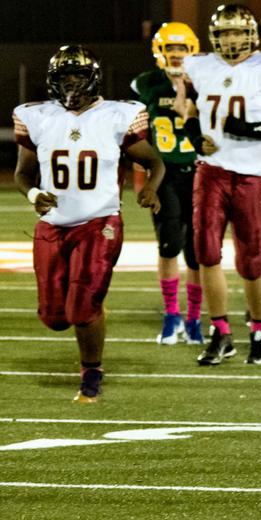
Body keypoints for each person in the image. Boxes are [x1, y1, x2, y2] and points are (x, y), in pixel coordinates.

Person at [13, 45, 164, 402]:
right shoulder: (37, 116)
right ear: (52, 81)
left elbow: (154, 162)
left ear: (93, 78)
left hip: (100, 222)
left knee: (82, 307)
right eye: (65, 76)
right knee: (54, 317)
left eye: (78, 75)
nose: (71, 83)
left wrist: (151, 190)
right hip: (51, 225)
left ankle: (91, 372)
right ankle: (91, 313)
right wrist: (34, 194)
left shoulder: (116, 115)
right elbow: (22, 173)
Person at [178, 4, 261, 365]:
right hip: (210, 170)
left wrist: (248, 130)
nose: (230, 39)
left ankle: (258, 328)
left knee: (250, 260)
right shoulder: (198, 66)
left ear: (250, 34)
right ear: (215, 36)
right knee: (206, 253)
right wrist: (194, 137)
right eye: (224, 32)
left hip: (251, 174)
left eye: (236, 31)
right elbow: (191, 113)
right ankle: (221, 332)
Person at [131, 22, 205, 346]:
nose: (176, 55)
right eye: (170, 49)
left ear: (192, 51)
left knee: (197, 252)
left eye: (181, 49)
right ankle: (172, 313)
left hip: (200, 171)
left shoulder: (203, 82)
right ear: (159, 52)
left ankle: (194, 318)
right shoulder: (145, 84)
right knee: (169, 244)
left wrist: (186, 89)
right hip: (164, 174)